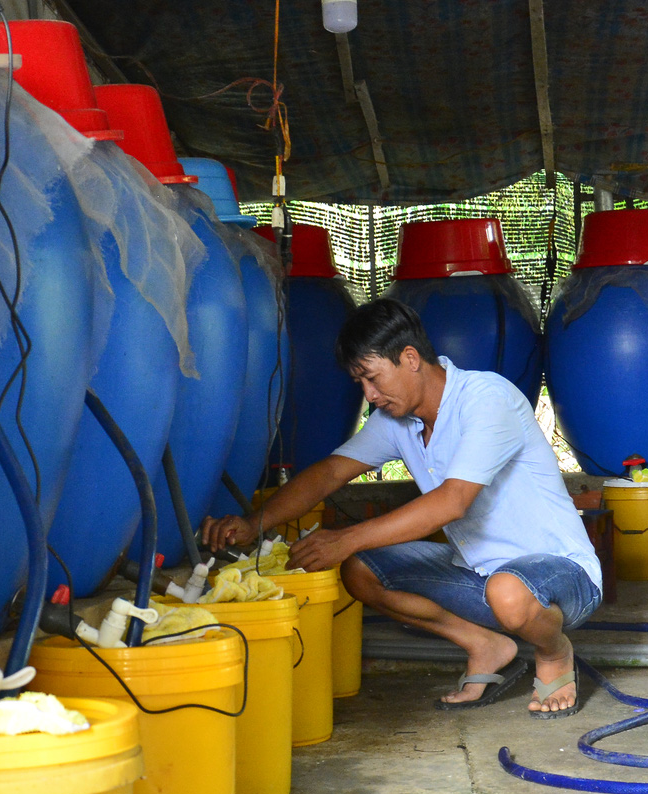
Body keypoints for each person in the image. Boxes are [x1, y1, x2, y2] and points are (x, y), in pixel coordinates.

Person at [201, 298, 601, 716]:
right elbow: (329, 474)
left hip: (563, 574)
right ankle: (485, 645)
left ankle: (555, 652)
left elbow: (452, 502)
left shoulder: (486, 399)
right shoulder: (397, 420)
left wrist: (344, 537)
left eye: (373, 379)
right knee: (360, 570)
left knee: (508, 592)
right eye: (361, 384)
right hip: (480, 575)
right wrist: (253, 524)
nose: (370, 396)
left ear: (410, 358)